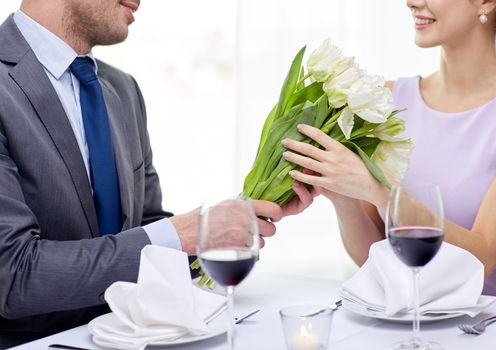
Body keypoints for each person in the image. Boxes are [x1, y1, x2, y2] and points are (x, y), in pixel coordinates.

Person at [0, 0, 314, 346]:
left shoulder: (122, 90)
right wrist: (180, 233)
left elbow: (144, 231)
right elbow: (13, 274)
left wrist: (235, 220)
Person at [282, 0, 496, 299]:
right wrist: (344, 196)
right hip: (404, 326)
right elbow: (373, 258)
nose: (412, 2)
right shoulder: (386, 100)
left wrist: (381, 193)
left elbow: (481, 259)